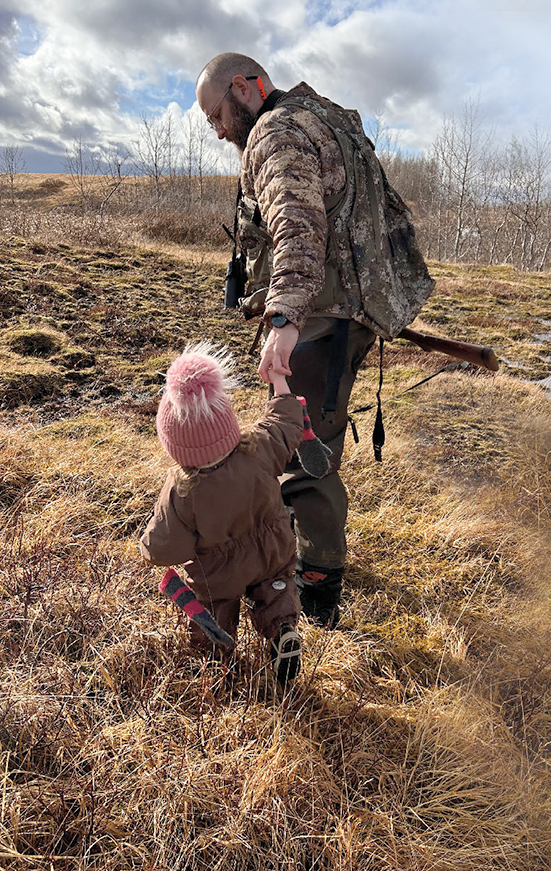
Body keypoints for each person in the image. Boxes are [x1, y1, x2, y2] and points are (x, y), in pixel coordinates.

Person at [195, 53, 434, 627]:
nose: (219, 131)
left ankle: (321, 588)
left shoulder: (276, 131)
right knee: (309, 440)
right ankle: (307, 560)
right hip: (343, 312)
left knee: (306, 455)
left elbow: (297, 225)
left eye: (217, 116)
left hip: (321, 319)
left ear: (243, 87)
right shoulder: (323, 117)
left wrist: (283, 319)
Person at [140, 343, 304, 685]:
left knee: (214, 610)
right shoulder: (259, 447)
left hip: (219, 574)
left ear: (174, 445)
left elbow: (164, 549)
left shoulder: (182, 490)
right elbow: (286, 421)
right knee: (275, 588)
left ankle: (215, 661)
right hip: (272, 551)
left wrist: (146, 543)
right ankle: (282, 631)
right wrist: (279, 382)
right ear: (226, 421)